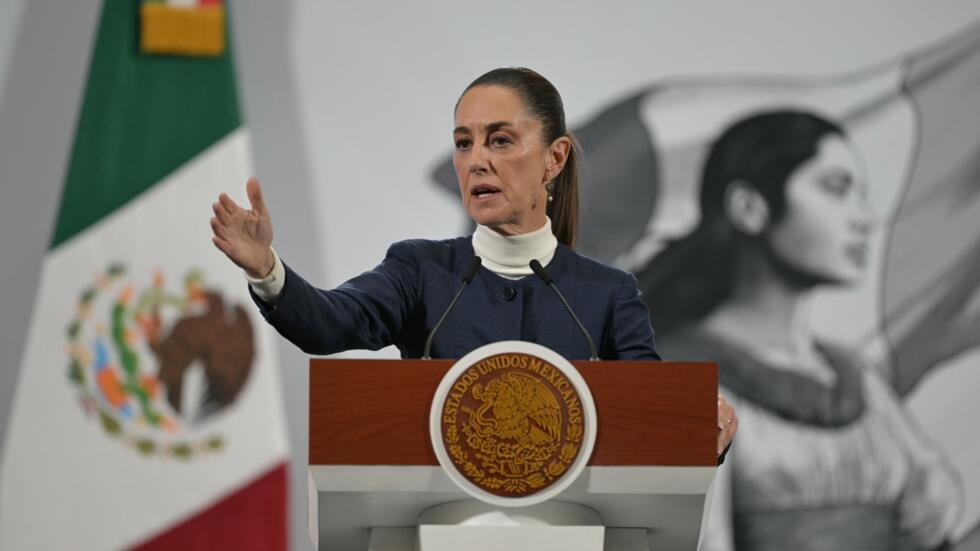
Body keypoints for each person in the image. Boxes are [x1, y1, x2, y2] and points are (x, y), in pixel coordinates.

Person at [208, 67, 738, 458]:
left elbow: (656, 417)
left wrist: (702, 430)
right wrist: (266, 270)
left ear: (554, 159)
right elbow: (327, 324)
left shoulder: (608, 294)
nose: (476, 159)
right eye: (464, 143)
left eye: (500, 140)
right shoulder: (420, 270)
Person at [639, 111, 961, 550]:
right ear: (749, 208)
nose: (865, 219)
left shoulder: (855, 379)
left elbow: (928, 527)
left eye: (861, 195)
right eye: (835, 188)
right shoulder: (667, 379)